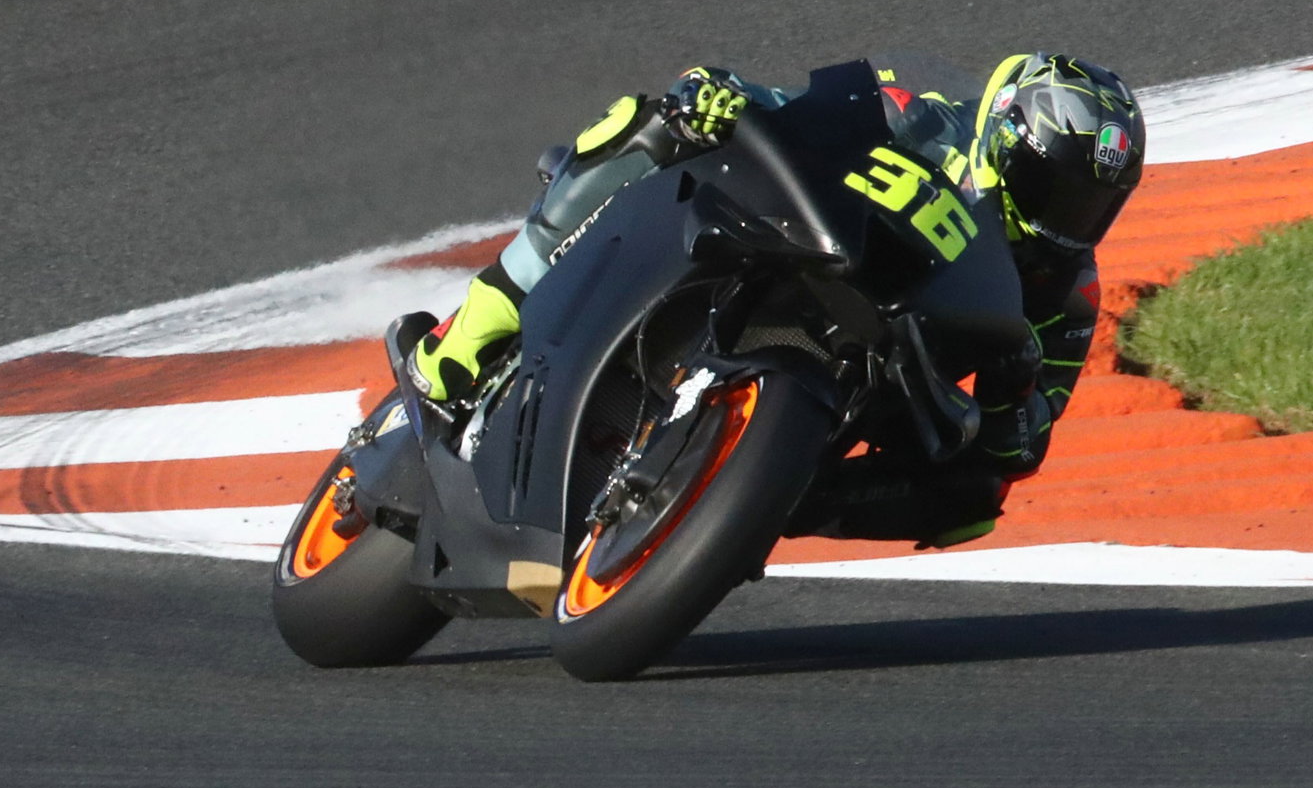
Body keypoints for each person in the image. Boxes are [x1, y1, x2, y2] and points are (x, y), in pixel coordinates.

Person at [408, 53, 1146, 547]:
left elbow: (1024, 447)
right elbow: (805, 109)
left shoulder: (1067, 294)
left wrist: (1017, 387)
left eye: (1092, 206)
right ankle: (474, 326)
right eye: (1057, 190)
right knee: (652, 119)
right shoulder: (923, 121)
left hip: (877, 375)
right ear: (1006, 137)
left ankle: (763, 504)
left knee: (973, 505)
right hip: (786, 247)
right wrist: (725, 96)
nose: (1068, 220)